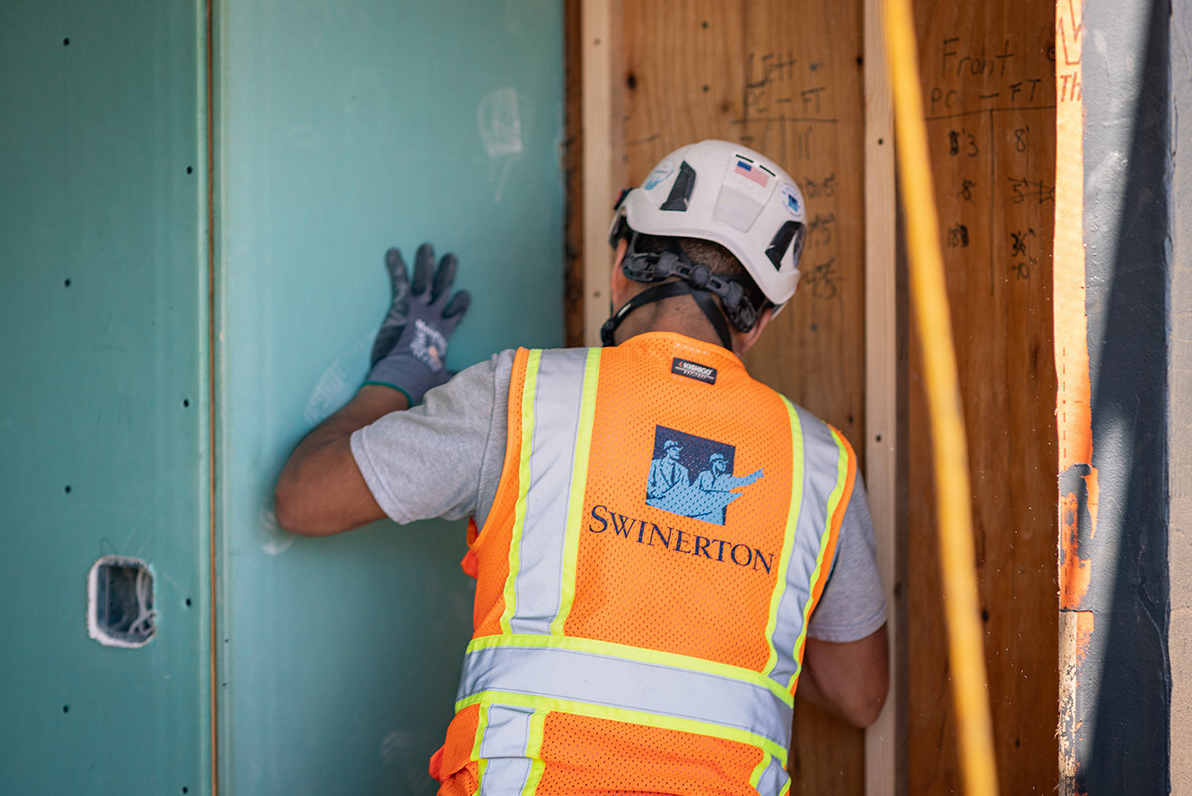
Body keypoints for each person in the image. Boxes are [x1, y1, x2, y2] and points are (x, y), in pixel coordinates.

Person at [275, 139, 888, 796]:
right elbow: (860, 696)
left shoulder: (521, 398)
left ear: (623, 259)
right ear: (760, 320)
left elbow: (304, 499)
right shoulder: (821, 465)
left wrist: (395, 380)